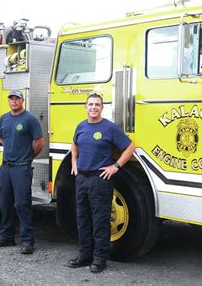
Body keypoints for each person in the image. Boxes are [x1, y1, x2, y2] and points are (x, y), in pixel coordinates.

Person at [67, 93, 135, 273]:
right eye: (90, 104)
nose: (94, 107)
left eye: (97, 104)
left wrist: (116, 166)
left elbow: (130, 147)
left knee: (100, 221)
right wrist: (74, 162)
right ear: (85, 107)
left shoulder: (110, 128)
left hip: (100, 179)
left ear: (102, 107)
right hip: (81, 179)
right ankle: (84, 255)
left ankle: (99, 259)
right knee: (82, 219)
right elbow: (74, 145)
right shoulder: (81, 126)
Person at [0, 89, 45, 254]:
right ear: (9, 101)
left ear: (22, 100)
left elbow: (40, 143)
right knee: (5, 203)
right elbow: (3, 140)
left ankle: (27, 241)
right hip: (6, 167)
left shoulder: (30, 119)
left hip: (22, 167)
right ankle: (6, 237)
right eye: (11, 99)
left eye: (17, 99)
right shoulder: (4, 118)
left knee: (22, 204)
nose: (14, 101)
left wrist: (27, 156)